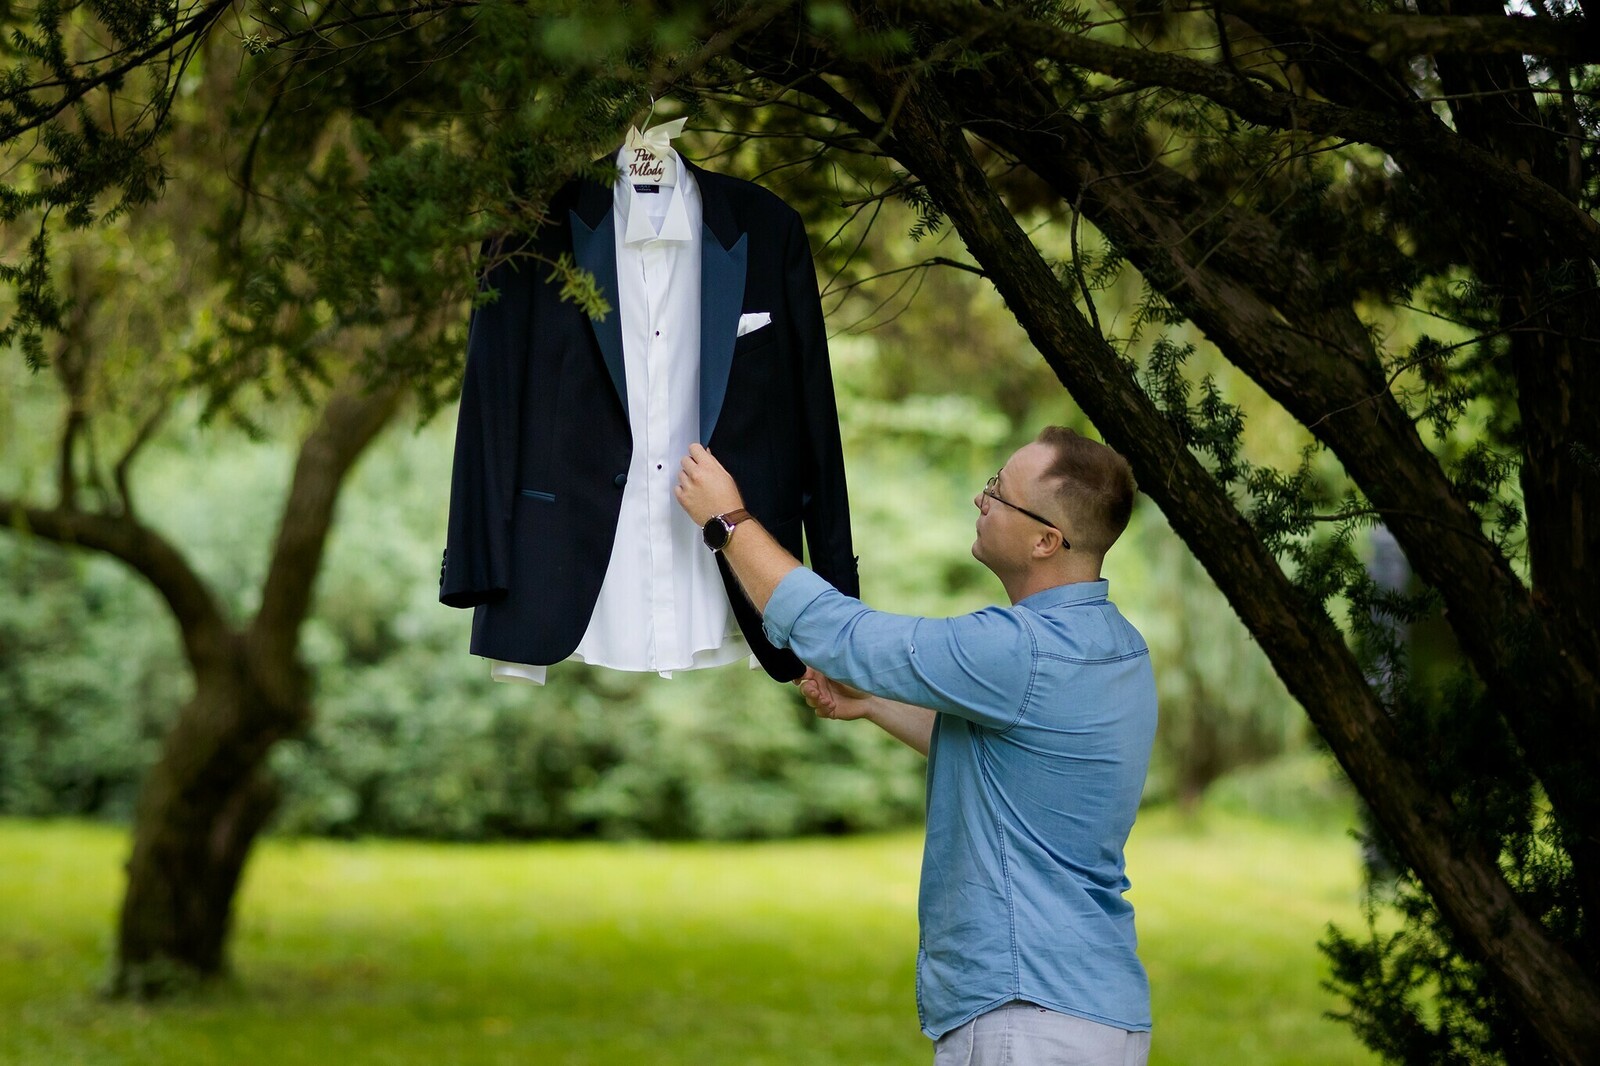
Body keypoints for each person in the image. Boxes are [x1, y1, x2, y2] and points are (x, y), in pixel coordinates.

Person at [675, 426, 1156, 1066]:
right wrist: (873, 704)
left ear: (1047, 540)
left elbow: (843, 636)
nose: (980, 502)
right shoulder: (1116, 644)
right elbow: (1007, 760)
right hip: (1098, 1011)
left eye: (998, 494)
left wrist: (728, 521)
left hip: (1029, 1017)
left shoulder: (1021, 650)